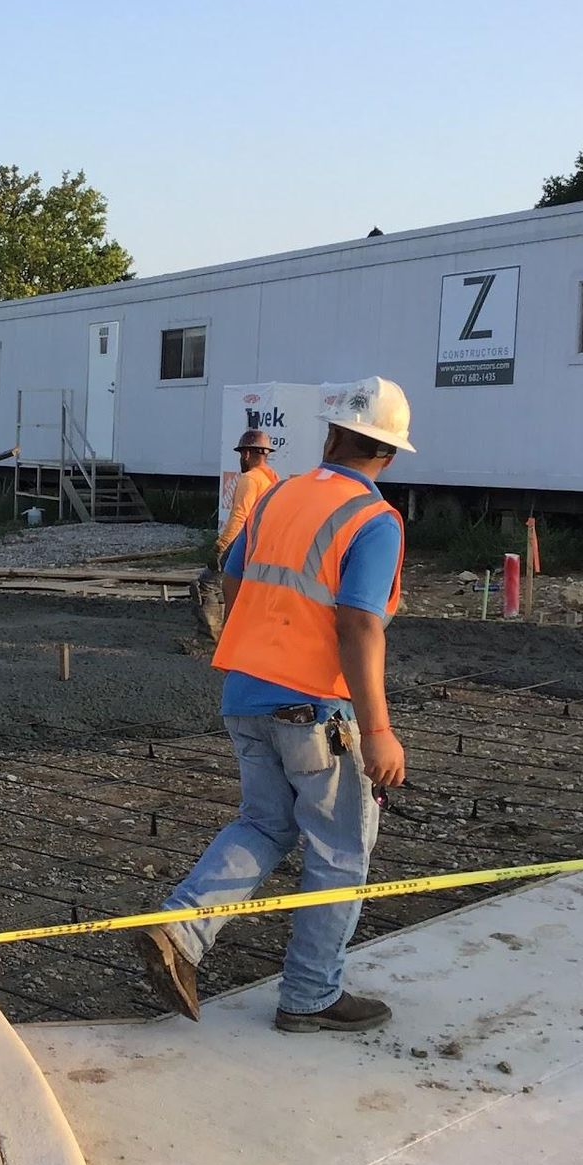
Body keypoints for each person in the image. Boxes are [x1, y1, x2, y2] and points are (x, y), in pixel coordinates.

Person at [137, 378, 413, 1034]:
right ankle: (311, 995)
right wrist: (377, 730)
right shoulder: (374, 520)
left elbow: (234, 579)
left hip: (245, 690)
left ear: (331, 434)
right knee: (342, 846)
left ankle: (181, 933)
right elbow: (358, 625)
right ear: (390, 454)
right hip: (316, 707)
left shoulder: (279, 494)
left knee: (265, 823)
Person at [192, 430, 279, 642]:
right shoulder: (272, 479)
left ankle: (210, 639)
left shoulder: (250, 479)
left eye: (241, 454)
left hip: (243, 540)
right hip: (264, 544)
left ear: (247, 454)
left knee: (206, 584)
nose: (241, 459)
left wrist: (220, 547)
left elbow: (240, 516)